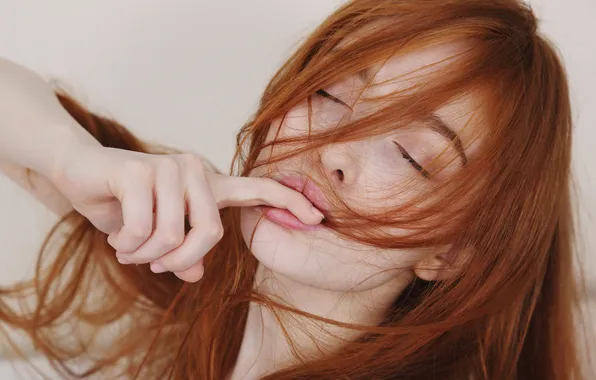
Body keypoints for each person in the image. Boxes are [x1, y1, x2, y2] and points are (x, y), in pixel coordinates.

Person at [0, 0, 591, 379]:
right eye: (328, 94)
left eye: (410, 156)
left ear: (454, 252)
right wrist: (69, 156)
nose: (333, 151)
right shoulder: (191, 267)